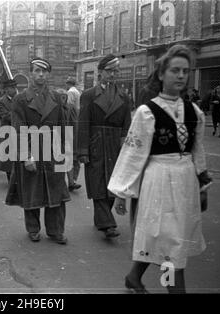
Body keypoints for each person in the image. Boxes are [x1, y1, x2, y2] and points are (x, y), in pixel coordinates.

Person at [108, 44, 210, 294]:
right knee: (169, 244)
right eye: (175, 70)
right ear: (162, 74)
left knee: (165, 239)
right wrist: (122, 192)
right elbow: (133, 154)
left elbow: (197, 150)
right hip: (158, 181)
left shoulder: (194, 112)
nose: (181, 76)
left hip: (185, 182)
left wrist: (203, 186)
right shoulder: (146, 112)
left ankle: (134, 276)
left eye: (185, 71)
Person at [5, 57, 71, 245]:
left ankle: (56, 230)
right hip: (31, 147)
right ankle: (33, 229)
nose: (40, 74)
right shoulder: (20, 99)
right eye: (36, 71)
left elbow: (62, 126)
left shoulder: (57, 98)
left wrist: (65, 154)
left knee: (56, 191)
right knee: (32, 191)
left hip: (53, 149)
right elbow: (18, 129)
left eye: (44, 71)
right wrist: (27, 156)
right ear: (31, 73)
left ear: (48, 74)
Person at [78, 54, 132, 239]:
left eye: (116, 71)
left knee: (111, 182)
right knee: (97, 182)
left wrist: (127, 149)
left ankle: (102, 218)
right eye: (109, 71)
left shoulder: (124, 97)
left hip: (116, 145)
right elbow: (83, 123)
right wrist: (82, 150)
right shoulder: (88, 95)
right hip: (96, 143)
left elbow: (127, 126)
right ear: (100, 72)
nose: (113, 74)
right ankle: (107, 224)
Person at [0, 79, 18, 182]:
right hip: (7, 131)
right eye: (11, 88)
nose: (13, 89)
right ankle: (11, 180)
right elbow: (5, 116)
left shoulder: (20, 99)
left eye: (14, 87)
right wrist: (19, 116)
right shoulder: (0, 102)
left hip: (19, 131)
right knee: (8, 158)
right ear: (6, 89)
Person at [65, 77, 82, 192]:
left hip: (71, 125)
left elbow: (69, 106)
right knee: (75, 156)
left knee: (70, 155)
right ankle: (73, 180)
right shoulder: (78, 92)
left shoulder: (70, 92)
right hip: (77, 123)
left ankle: (71, 181)